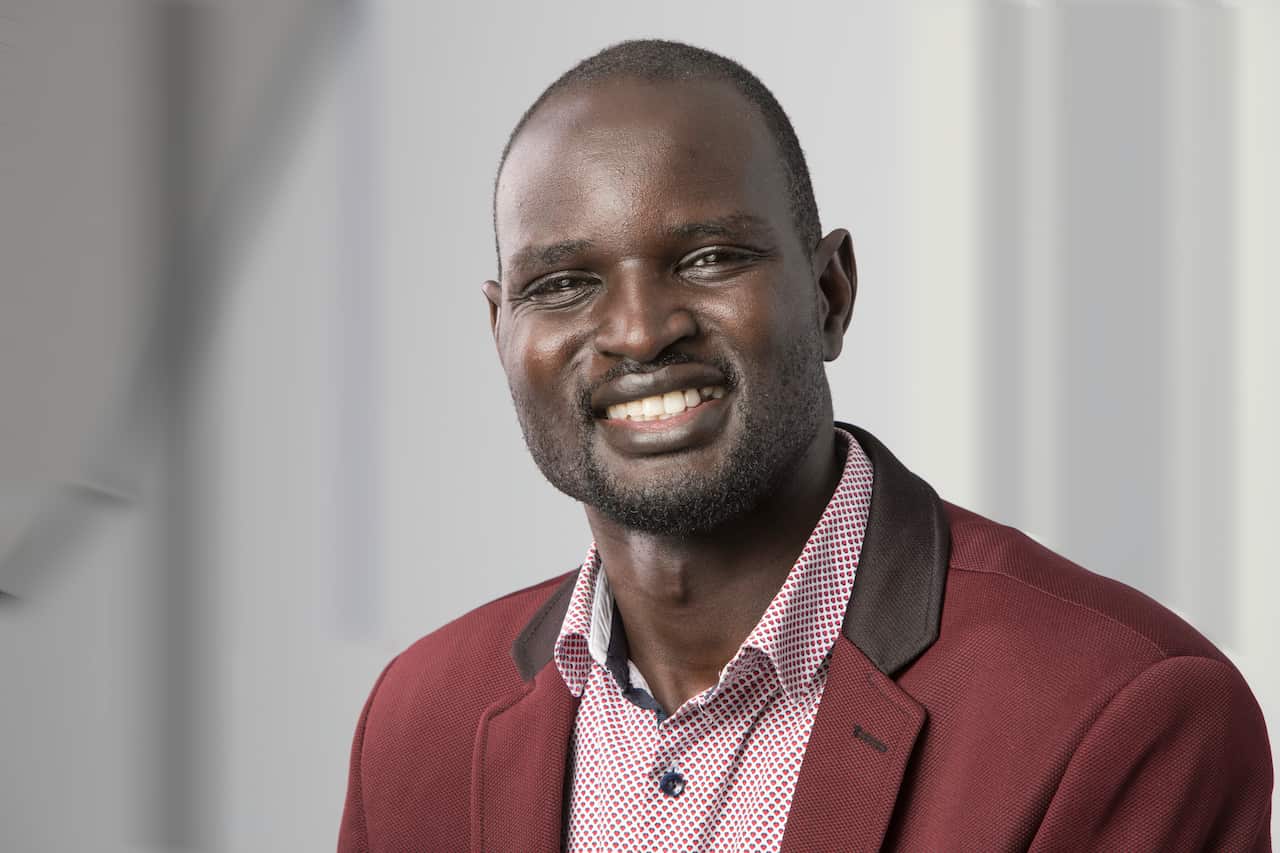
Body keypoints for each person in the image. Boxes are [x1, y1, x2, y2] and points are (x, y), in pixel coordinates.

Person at [338, 39, 1273, 852]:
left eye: (708, 259)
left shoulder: (1119, 714)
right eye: (564, 282)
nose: (637, 330)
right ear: (501, 330)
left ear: (829, 293)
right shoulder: (416, 726)